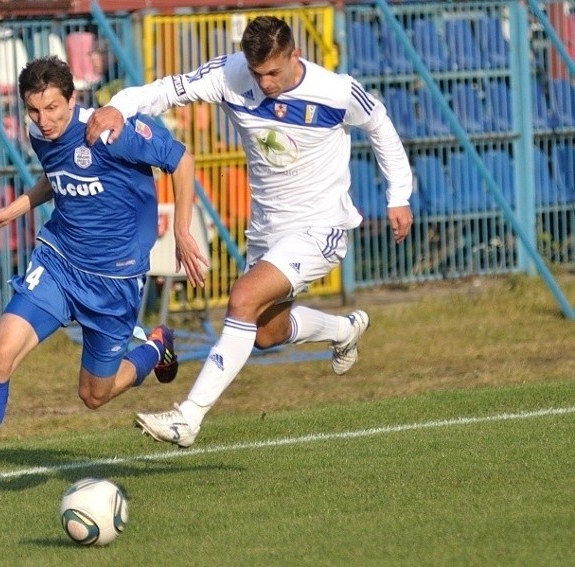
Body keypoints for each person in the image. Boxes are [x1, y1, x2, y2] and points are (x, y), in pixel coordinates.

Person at [86, 16, 414, 448]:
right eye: (257, 73)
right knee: (265, 333)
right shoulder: (230, 74)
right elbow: (168, 89)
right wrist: (119, 106)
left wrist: (399, 194)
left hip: (321, 227)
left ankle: (189, 417)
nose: (265, 83)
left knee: (241, 299)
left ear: (295, 56)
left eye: (273, 72)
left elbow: (380, 126)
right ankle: (344, 330)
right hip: (266, 231)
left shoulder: (335, 90)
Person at [0, 56, 209, 512]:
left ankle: (155, 346)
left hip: (115, 279)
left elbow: (182, 161)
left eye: (54, 108)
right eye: (34, 111)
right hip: (58, 261)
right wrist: (11, 211)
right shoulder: (39, 134)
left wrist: (183, 231)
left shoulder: (113, 131)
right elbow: (58, 180)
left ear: (73, 99)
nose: (45, 120)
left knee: (94, 395)